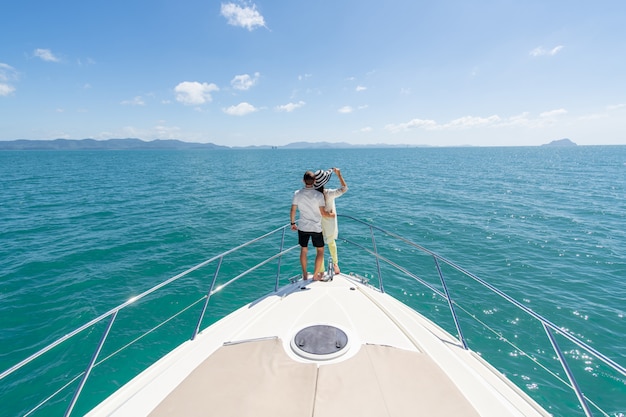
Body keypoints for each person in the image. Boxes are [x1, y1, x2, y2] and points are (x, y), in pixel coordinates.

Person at [290, 171, 334, 281]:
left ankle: (305, 274)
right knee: (320, 250)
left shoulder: (297, 193)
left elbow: (293, 210)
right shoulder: (319, 195)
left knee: (304, 250)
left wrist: (293, 223)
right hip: (316, 228)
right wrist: (331, 214)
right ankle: (315, 275)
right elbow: (323, 213)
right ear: (315, 181)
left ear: (303, 180)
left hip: (303, 227)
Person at [314, 167, 348, 274]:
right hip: (329, 224)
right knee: (332, 243)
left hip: (317, 225)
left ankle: (321, 271)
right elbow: (344, 188)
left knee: (319, 248)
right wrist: (339, 175)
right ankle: (335, 264)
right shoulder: (329, 193)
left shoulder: (312, 195)